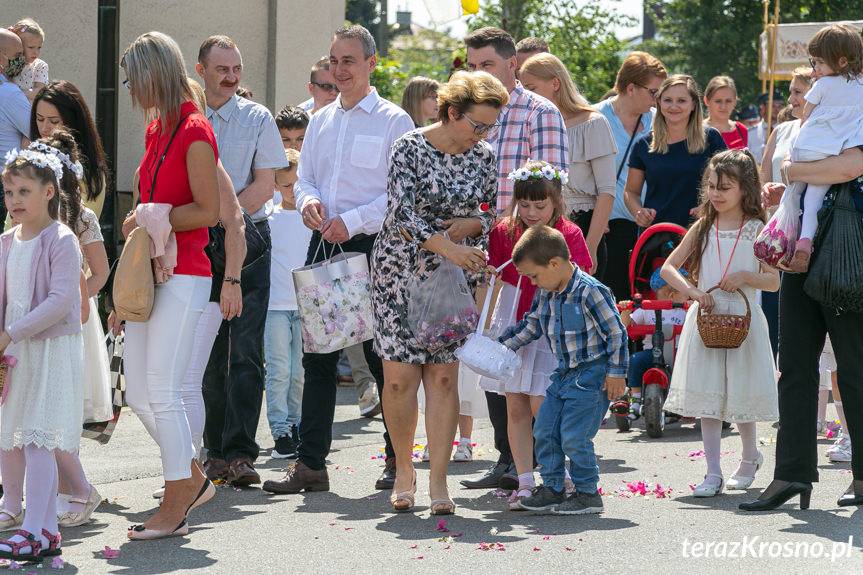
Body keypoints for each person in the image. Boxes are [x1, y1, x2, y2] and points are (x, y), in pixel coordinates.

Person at [262, 25, 414, 496]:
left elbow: (400, 196)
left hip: (374, 248)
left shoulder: (394, 121)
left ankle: (397, 458)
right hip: (324, 243)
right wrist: (306, 202)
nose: (339, 70)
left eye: (349, 61)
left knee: (381, 356)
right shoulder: (322, 120)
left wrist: (354, 221)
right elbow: (305, 177)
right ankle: (310, 466)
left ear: (371, 64)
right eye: (334, 61)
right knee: (319, 354)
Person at [367, 70, 504, 514]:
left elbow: (492, 212)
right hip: (399, 274)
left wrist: (474, 226)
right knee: (400, 378)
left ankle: (439, 481)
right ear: (451, 112)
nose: (482, 135)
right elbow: (401, 214)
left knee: (444, 378)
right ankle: (404, 469)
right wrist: (449, 246)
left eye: (489, 127)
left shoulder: (483, 156)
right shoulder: (409, 147)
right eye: (476, 125)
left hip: (452, 278)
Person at [119, 31, 220, 540]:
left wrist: (151, 216)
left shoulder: (195, 131)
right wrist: (145, 219)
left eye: (132, 78)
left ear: (153, 73)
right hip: (155, 274)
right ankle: (192, 478)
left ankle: (177, 492)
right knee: (138, 390)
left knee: (162, 388)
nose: (129, 90)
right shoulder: (157, 129)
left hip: (186, 274)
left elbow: (210, 211)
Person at [462, 26, 568, 491]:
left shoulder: (538, 112)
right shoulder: (467, 114)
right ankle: (506, 459)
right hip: (478, 250)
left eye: (486, 65)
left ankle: (535, 463)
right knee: (491, 351)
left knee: (530, 357)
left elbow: (549, 190)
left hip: (525, 257)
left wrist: (528, 251)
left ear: (511, 67)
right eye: (471, 66)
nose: (478, 74)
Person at [741, 148, 863, 511]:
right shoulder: (819, 104)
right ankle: (792, 473)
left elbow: (850, 167)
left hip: (851, 242)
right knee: (794, 364)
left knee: (854, 367)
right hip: (799, 245)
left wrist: (796, 169)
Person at [196, 35, 288, 487]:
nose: (231, 78)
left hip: (249, 238)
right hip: (194, 242)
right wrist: (205, 226)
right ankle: (213, 452)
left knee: (246, 351)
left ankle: (241, 453)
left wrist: (224, 223)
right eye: (221, 70)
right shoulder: (187, 117)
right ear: (201, 70)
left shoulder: (257, 117)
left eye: (236, 69)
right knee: (208, 351)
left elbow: (265, 185)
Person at [661, 149, 779, 497]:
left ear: (744, 189)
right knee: (707, 396)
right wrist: (693, 291)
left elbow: (773, 281)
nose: (716, 193)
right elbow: (668, 267)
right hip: (708, 317)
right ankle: (712, 471)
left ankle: (748, 457)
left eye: (725, 187)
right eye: (712, 186)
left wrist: (746, 275)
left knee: (741, 391)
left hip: (743, 320)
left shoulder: (758, 228)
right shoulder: (703, 226)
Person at [480, 159, 592, 510]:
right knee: (514, 403)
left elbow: (582, 277)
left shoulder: (568, 234)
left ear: (557, 201)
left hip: (551, 324)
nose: (530, 212)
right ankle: (525, 480)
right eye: (524, 204)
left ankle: (557, 476)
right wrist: (485, 328)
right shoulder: (503, 231)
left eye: (539, 205)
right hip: (513, 319)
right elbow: (495, 278)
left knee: (546, 405)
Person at [498, 225, 627, 514]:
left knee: (574, 436)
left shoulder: (591, 292)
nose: (533, 282)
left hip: (591, 375)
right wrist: (500, 346)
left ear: (554, 263)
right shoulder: (547, 292)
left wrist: (616, 373)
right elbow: (532, 325)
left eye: (534, 275)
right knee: (544, 430)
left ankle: (587, 493)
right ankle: (554, 488)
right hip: (563, 374)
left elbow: (616, 334)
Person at [0, 142, 84, 560]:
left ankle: (34, 528)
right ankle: (46, 529)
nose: (14, 200)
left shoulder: (61, 239)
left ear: (49, 191)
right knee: (16, 438)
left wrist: (10, 331)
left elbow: (62, 299)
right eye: (9, 192)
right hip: (19, 355)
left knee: (38, 440)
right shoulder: (6, 241)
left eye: (24, 191)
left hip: (50, 352)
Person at [26, 132, 109, 528]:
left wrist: (78, 302)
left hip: (70, 320)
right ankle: (51, 492)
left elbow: (99, 272)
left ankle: (78, 489)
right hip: (32, 323)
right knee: (34, 410)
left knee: (54, 409)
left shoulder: (77, 220)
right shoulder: (21, 221)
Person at [519, 52, 617, 277]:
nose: (526, 95)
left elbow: (607, 191)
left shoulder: (593, 123)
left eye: (531, 88)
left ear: (555, 83)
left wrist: (590, 246)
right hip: (540, 230)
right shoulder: (532, 124)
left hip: (582, 226)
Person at [779, 25, 863, 273]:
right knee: (813, 193)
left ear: (841, 60)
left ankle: (789, 240)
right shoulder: (858, 86)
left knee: (796, 195)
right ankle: (803, 241)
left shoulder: (825, 85)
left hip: (812, 147)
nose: (814, 70)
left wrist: (792, 168)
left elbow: (807, 112)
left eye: (817, 63)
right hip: (835, 148)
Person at [595, 51, 667, 301]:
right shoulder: (594, 118)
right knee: (614, 301)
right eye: (653, 92)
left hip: (652, 229)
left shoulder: (661, 122)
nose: (658, 100)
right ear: (631, 88)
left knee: (647, 307)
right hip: (606, 228)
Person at [624, 74, 727, 229]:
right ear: (658, 102)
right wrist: (639, 212)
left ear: (693, 104)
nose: (673, 106)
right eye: (667, 100)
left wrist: (709, 206)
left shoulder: (711, 138)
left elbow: (729, 182)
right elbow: (631, 192)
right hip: (656, 235)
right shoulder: (643, 144)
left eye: (681, 100)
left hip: (702, 230)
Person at [759, 66, 814, 356]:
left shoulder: (827, 132)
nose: (790, 99)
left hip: (811, 234)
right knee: (773, 309)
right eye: (790, 91)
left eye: (797, 92)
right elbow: (763, 176)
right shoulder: (780, 130)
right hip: (777, 237)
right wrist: (767, 192)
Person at [265, 147, 310, 459]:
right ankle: (280, 428)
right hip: (275, 307)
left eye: (297, 183)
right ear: (274, 185)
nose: (292, 190)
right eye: (285, 185)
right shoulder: (269, 219)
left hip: (306, 307)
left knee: (299, 372)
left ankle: (296, 424)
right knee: (279, 369)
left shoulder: (312, 219)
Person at [31, 80, 110, 217]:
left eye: (54, 121)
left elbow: (80, 227)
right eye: (39, 119)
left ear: (73, 121)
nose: (44, 128)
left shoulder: (89, 172)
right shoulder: (30, 162)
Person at [618, 268, 688, 421]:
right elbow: (625, 325)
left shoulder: (684, 311)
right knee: (636, 360)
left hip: (679, 353)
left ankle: (688, 401)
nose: (688, 296)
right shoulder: (647, 309)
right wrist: (626, 309)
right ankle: (635, 398)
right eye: (685, 291)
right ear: (672, 294)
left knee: (692, 365)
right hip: (653, 351)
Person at [0, 29, 30, 224]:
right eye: (18, 55)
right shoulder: (9, 94)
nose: (24, 61)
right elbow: (41, 132)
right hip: (7, 187)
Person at [703, 76, 748, 150]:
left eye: (728, 101)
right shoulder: (697, 130)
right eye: (718, 101)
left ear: (735, 102)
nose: (723, 106)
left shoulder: (741, 130)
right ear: (706, 101)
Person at [9, 19, 47, 102]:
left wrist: (14, 95)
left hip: (28, 112)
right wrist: (8, 39)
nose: (36, 52)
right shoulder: (7, 63)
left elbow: (40, 91)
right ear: (17, 44)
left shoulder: (40, 66)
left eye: (39, 47)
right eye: (31, 47)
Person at [747, 89, 783, 164]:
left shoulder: (785, 131)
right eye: (772, 106)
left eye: (780, 106)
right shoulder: (751, 133)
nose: (777, 109)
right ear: (763, 108)